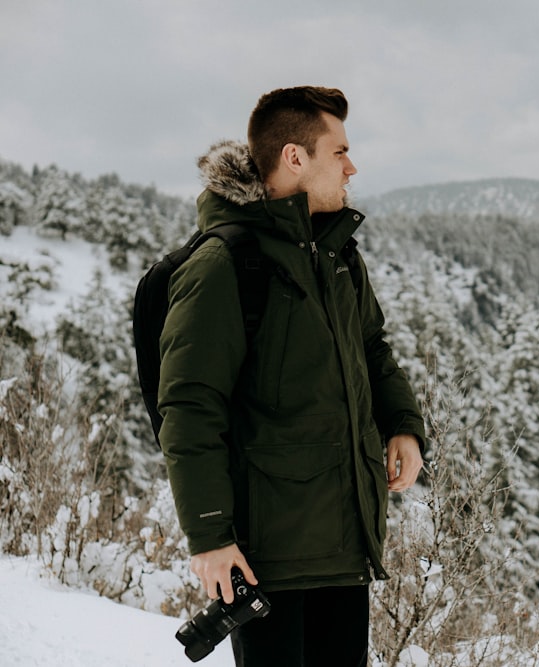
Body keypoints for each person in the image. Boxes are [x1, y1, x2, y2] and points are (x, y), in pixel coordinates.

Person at [157, 86, 426, 666]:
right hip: (268, 557)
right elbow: (188, 407)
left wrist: (402, 423)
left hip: (342, 542)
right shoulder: (224, 264)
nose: (352, 166)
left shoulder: (335, 255)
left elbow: (371, 347)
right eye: (340, 152)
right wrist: (209, 535)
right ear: (295, 158)